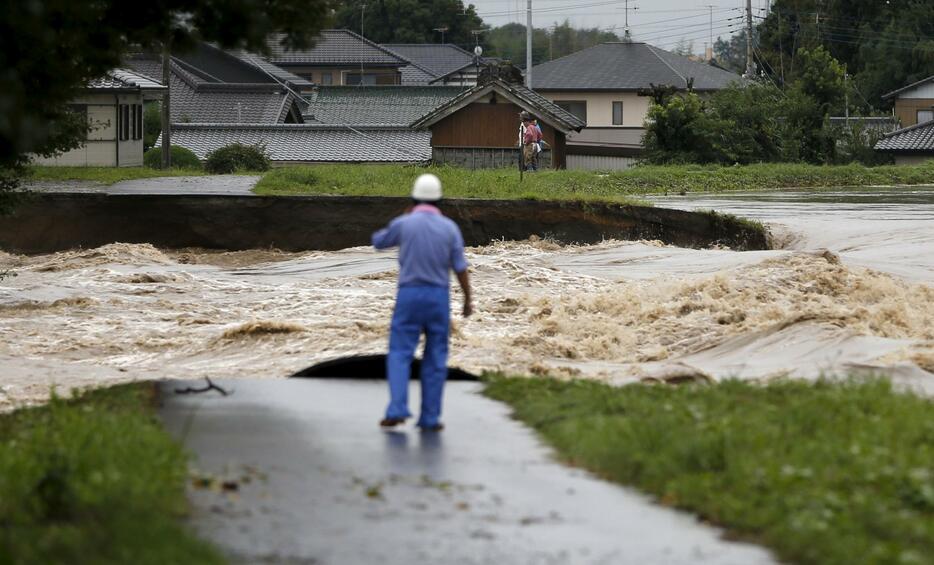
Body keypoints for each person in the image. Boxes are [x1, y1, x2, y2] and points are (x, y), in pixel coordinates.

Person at [371, 174, 473, 431]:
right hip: (438, 297)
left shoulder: (405, 223)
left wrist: (403, 218)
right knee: (436, 357)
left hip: (409, 294)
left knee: (400, 353)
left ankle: (397, 408)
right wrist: (468, 299)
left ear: (414, 199)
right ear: (439, 200)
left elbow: (379, 242)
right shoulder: (450, 228)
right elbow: (460, 267)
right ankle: (429, 418)